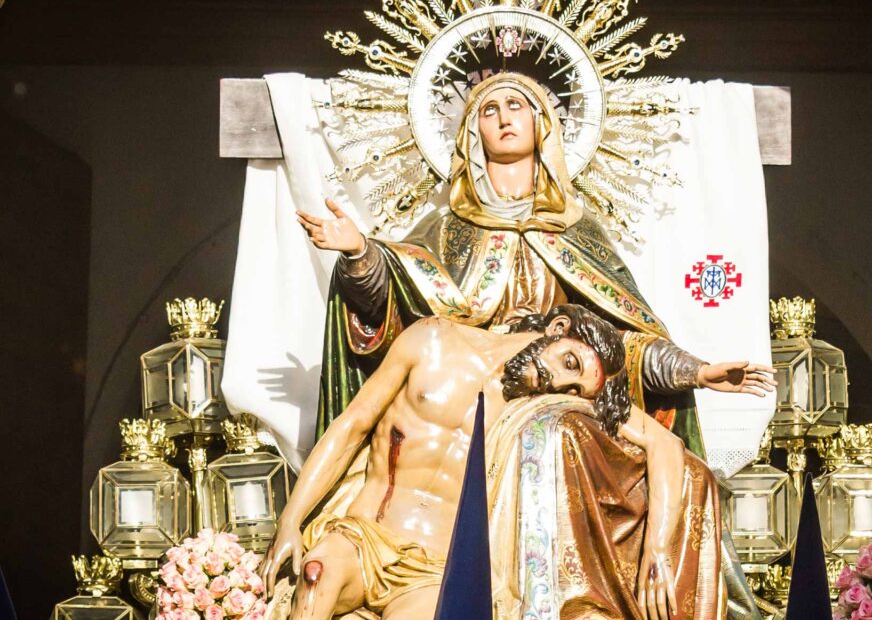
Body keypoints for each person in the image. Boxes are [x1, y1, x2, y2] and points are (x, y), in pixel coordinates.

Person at [296, 72, 775, 451]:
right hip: (468, 389)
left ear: (541, 123)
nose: (503, 118)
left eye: (516, 105)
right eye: (488, 110)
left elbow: (616, 341)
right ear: (473, 135)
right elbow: (391, 304)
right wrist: (360, 253)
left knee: (652, 459)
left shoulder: (576, 232)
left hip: (558, 393)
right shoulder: (446, 229)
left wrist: (694, 371)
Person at [260, 305, 723, 619]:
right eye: (569, 363)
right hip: (364, 534)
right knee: (316, 576)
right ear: (557, 329)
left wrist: (657, 549)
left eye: (573, 389)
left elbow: (664, 443)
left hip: (435, 566)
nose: (559, 385)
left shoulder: (539, 407)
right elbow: (352, 425)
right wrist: (290, 520)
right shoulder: (433, 340)